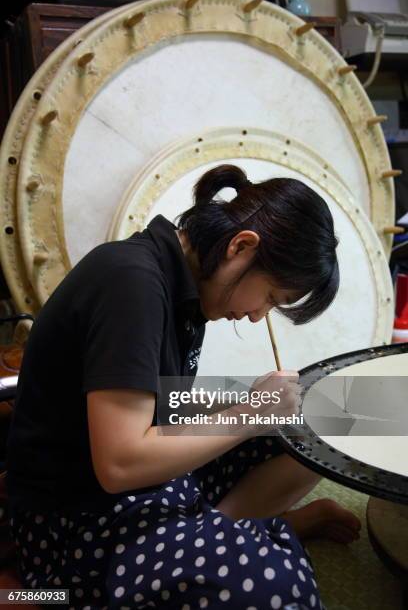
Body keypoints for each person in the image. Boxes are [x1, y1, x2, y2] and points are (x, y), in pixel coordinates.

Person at [5, 164, 361, 610]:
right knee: (280, 588)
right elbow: (119, 464)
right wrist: (249, 414)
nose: (257, 315)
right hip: (76, 520)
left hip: (146, 486)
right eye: (271, 297)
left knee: (321, 421)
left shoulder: (188, 282)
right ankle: (218, 543)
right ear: (242, 246)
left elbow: (160, 406)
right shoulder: (131, 281)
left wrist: (255, 407)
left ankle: (212, 537)